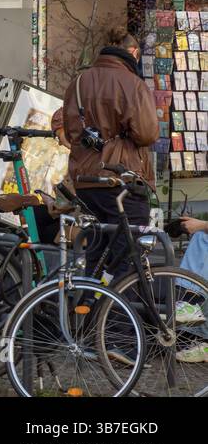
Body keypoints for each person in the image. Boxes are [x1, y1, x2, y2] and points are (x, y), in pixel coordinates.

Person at [57, 27, 159, 281]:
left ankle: (90, 310)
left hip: (86, 180)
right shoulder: (132, 84)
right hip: (120, 178)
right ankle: (119, 318)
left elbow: (70, 131)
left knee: (96, 250)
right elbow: (147, 134)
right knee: (129, 254)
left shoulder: (78, 82)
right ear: (133, 52)